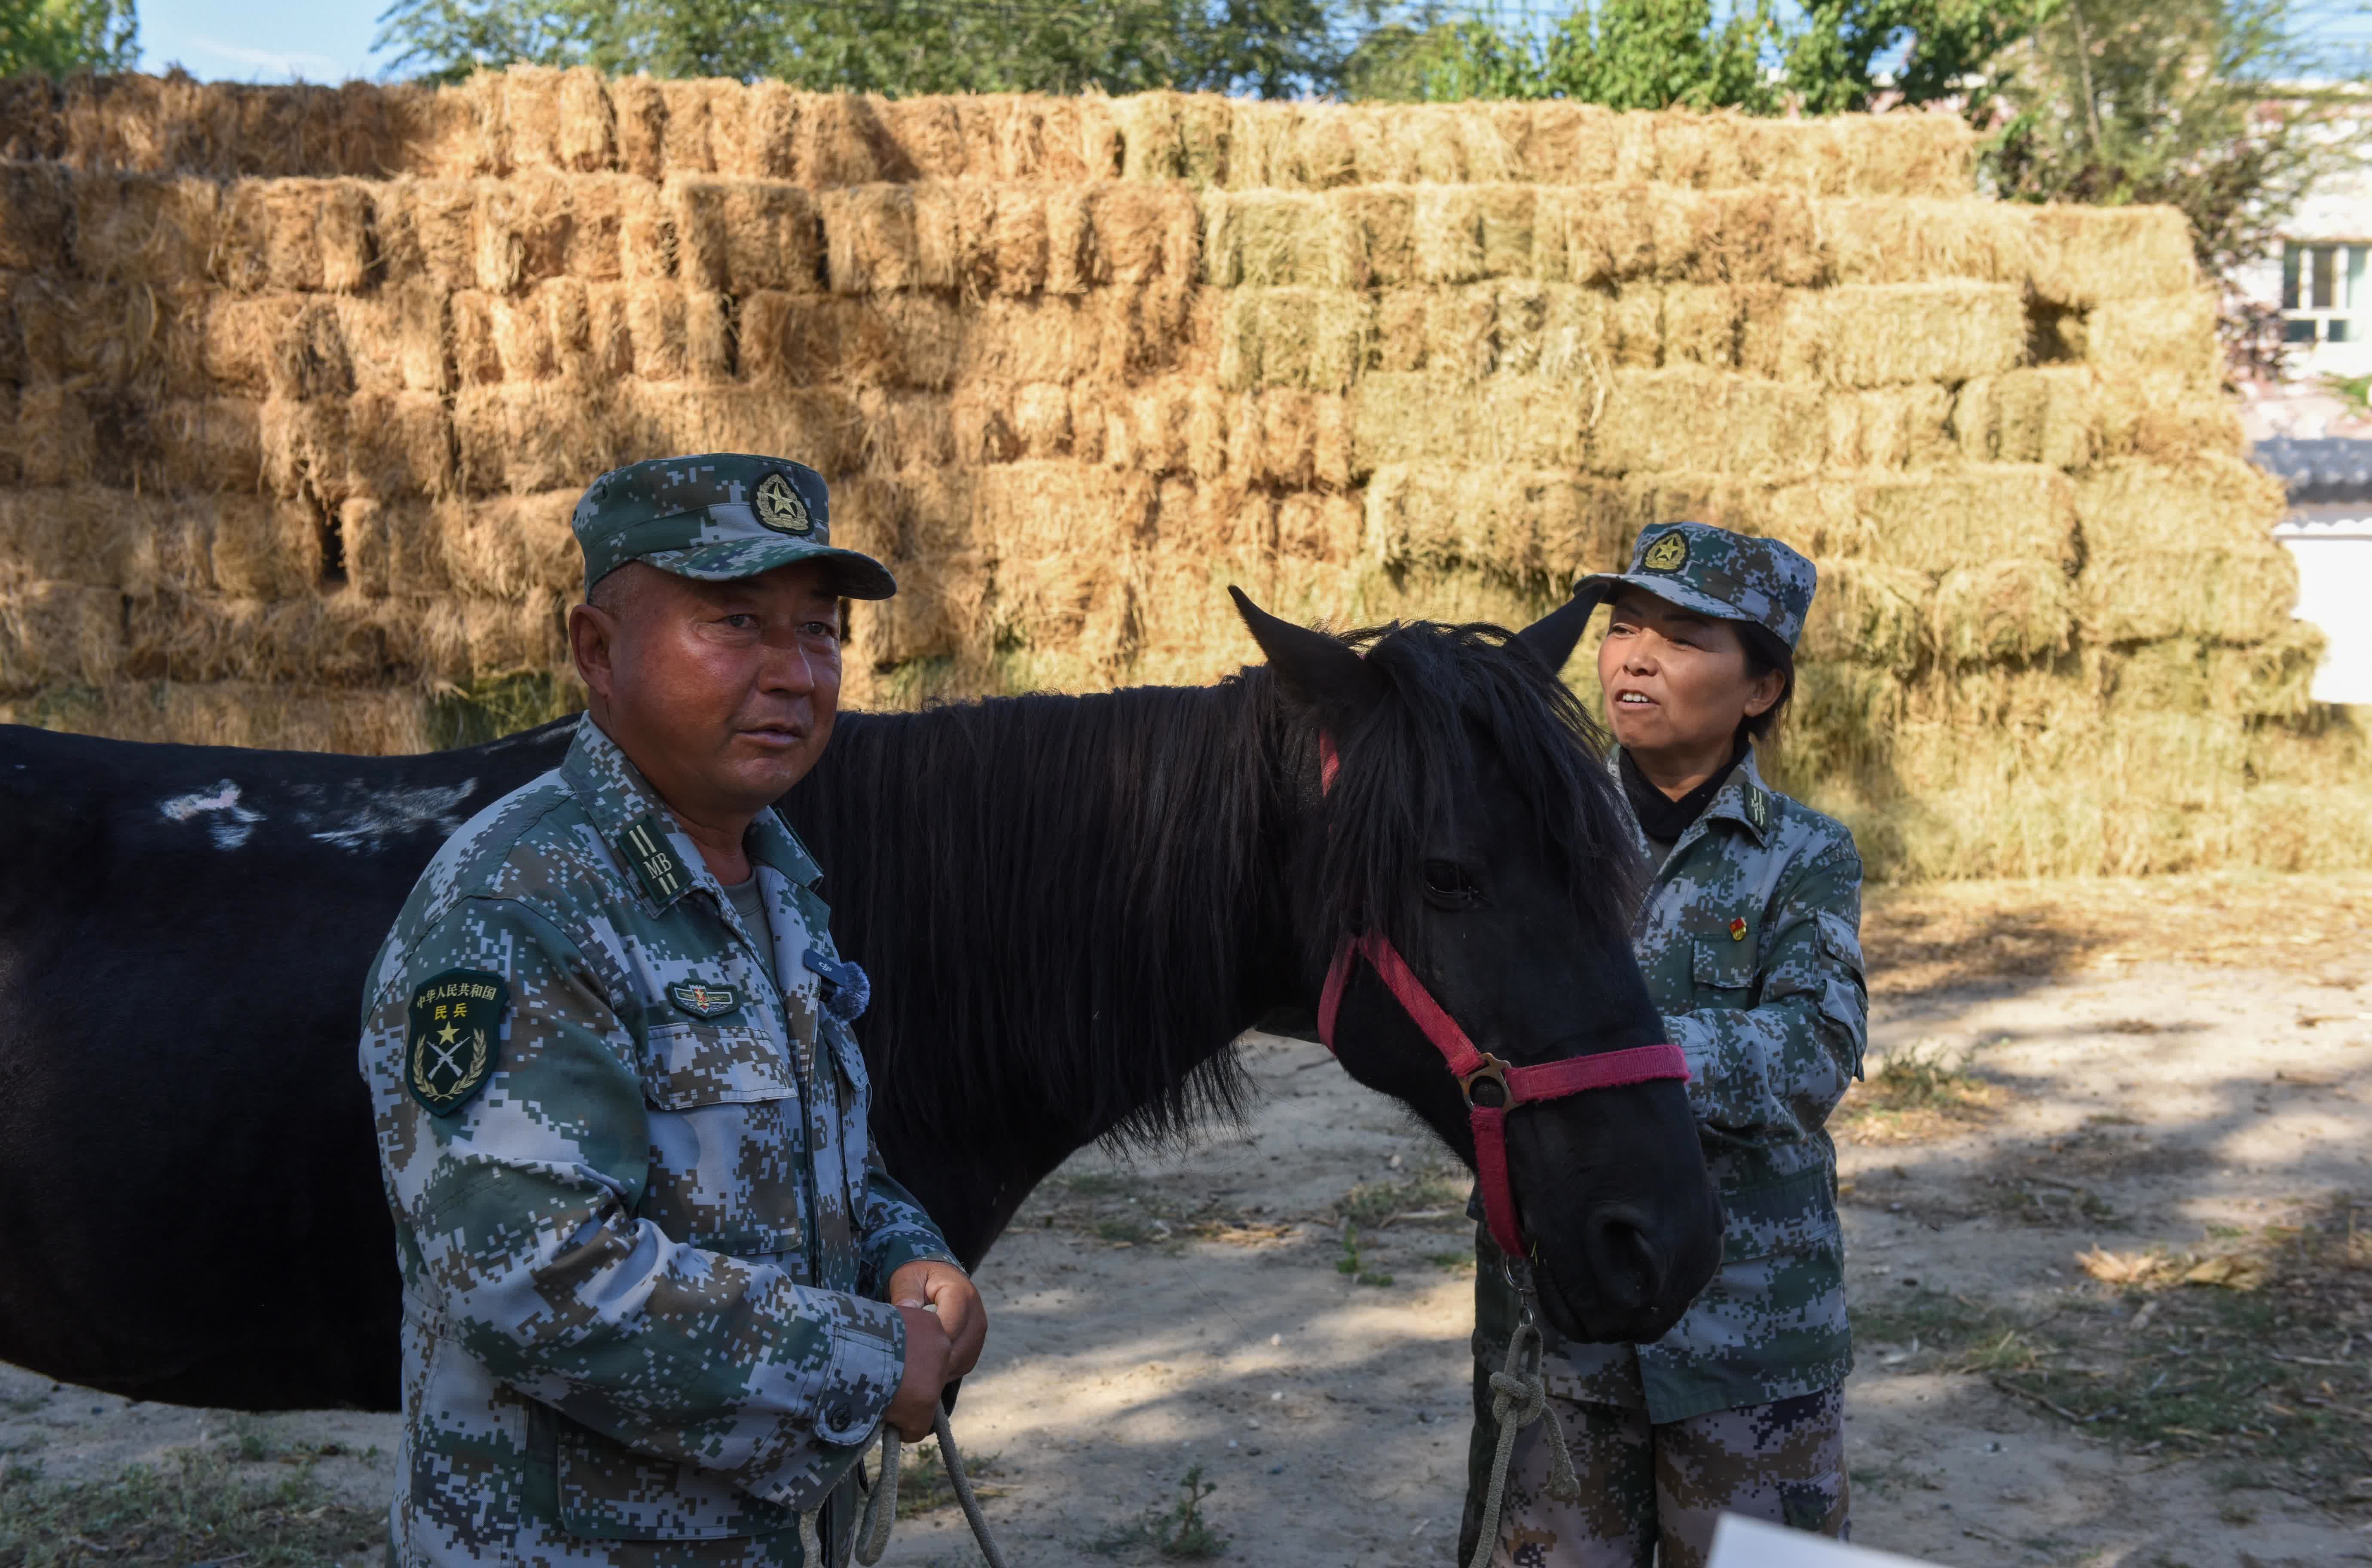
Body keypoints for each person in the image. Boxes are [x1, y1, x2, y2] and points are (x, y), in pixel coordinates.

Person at [359, 454, 984, 1568]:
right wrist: (866, 1358)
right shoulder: (520, 907)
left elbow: (799, 1152)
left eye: (821, 629)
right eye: (737, 622)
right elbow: (537, 1277)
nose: (796, 672)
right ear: (598, 652)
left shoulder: (771, 885)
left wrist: (903, 1253)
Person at [1460, 521, 1868, 1568]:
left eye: (1683, 640)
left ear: (1762, 689)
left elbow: (1816, 1047)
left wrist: (1616, 1060)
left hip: (1753, 1345)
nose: (1634, 656)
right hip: (1559, 1337)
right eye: (1623, 627)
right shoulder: (1525, 835)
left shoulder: (1807, 855)